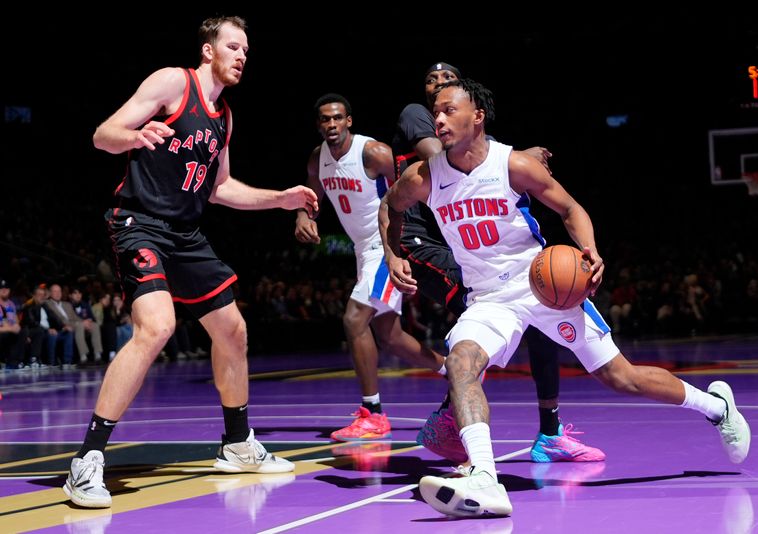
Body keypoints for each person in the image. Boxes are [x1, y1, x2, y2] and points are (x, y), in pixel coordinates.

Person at [383, 78, 750, 518]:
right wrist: (392, 254)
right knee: (461, 363)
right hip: (488, 298)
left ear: (476, 116)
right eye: (435, 112)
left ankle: (716, 406)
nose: (438, 119)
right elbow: (391, 207)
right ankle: (485, 477)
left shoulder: (513, 165)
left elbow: (571, 210)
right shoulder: (423, 176)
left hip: (541, 287)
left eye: (448, 110)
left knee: (621, 377)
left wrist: (590, 250)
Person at [63, 16, 318, 509]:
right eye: (233, 46)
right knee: (156, 327)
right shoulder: (172, 82)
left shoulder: (224, 116)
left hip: (186, 233)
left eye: (247, 49)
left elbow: (221, 187)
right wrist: (134, 137)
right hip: (139, 222)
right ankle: (87, 460)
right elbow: (103, 134)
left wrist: (280, 199)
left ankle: (238, 443)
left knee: (233, 330)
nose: (242, 55)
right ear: (208, 51)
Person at [389, 62, 603, 464]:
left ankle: (550, 430)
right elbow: (443, 157)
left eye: (448, 78)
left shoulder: (472, 132)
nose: (440, 84)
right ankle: (452, 421)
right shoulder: (421, 118)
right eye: (431, 81)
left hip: (474, 243)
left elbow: (485, 161)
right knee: (473, 328)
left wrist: (519, 161)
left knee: (541, 311)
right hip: (426, 241)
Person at [295, 93, 446, 441]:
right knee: (390, 338)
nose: (331, 125)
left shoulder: (373, 153)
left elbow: (412, 188)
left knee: (353, 319)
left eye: (337, 118)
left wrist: (407, 243)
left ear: (349, 121)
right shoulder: (317, 159)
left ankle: (373, 413)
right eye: (324, 119)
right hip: (363, 251)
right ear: (318, 124)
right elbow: (312, 197)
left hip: (386, 244)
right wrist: (304, 215)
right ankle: (449, 367)